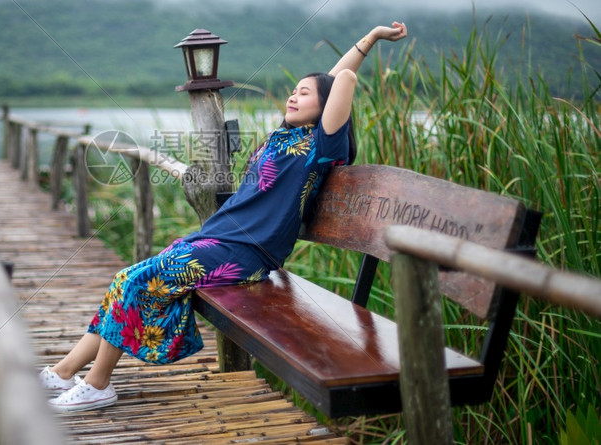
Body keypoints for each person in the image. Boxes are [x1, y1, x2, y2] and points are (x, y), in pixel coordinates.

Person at [41, 21, 409, 412]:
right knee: (126, 279)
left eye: (305, 93)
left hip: (246, 254)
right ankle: (66, 371)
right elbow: (328, 83)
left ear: (327, 105)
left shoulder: (322, 147)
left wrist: (370, 43)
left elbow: (342, 78)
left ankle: (98, 384)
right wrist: (362, 44)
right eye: (293, 90)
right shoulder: (285, 135)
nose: (293, 96)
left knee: (137, 281)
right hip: (219, 240)